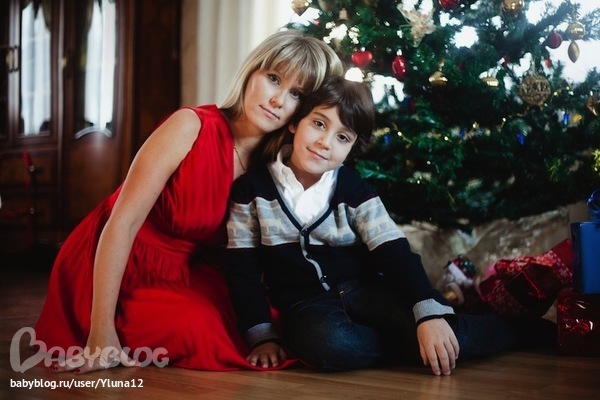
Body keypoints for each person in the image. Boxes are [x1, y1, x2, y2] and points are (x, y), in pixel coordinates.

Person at [34, 30, 343, 374]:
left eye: (296, 94)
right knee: (199, 331)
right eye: (274, 79)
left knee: (271, 325)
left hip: (189, 270)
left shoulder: (273, 166)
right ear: (251, 72)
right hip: (121, 260)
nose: (278, 100)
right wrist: (101, 333)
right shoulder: (190, 125)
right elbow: (122, 222)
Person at [225, 76, 555, 376]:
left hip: (368, 290)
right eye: (319, 124)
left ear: (352, 148)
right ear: (295, 123)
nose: (325, 142)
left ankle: (518, 329)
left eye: (342, 137)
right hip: (307, 307)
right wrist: (261, 336)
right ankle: (412, 345)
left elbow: (394, 251)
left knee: (447, 338)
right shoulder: (250, 191)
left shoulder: (354, 189)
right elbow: (243, 270)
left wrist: (427, 313)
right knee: (328, 344)